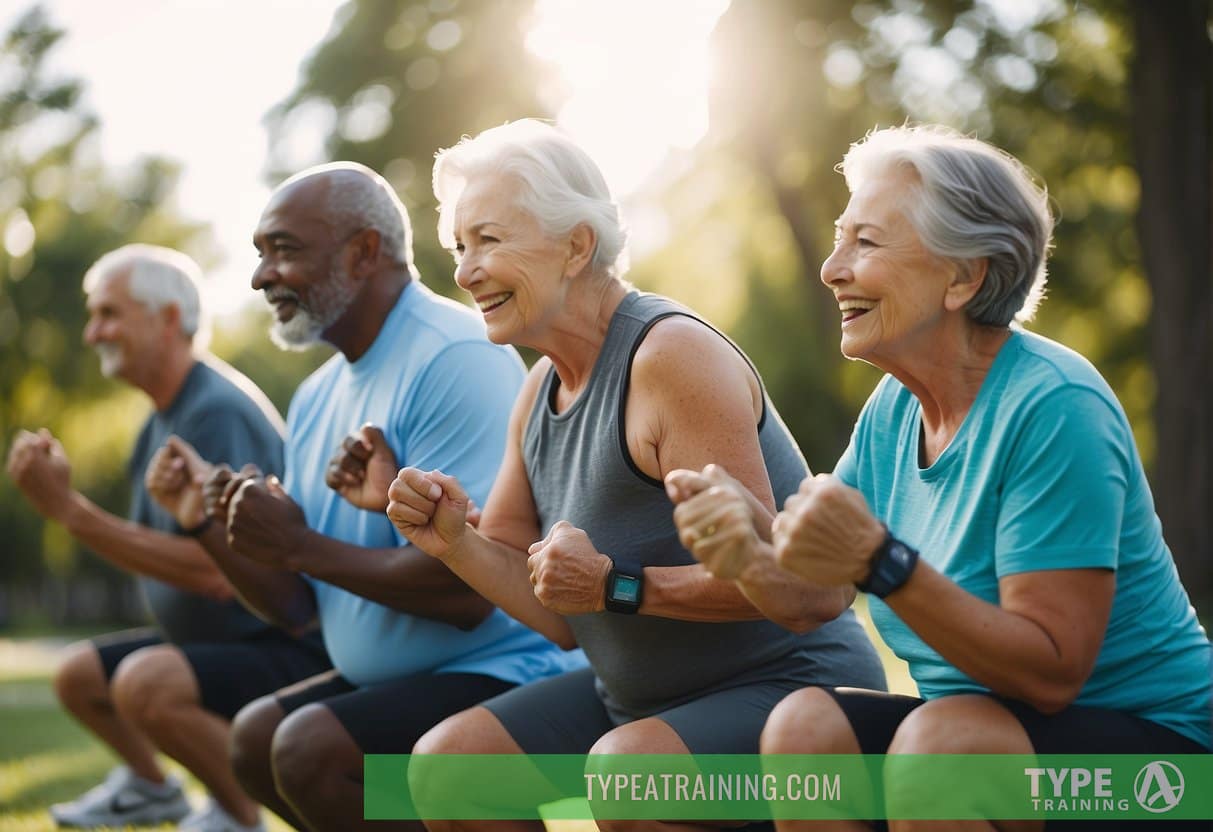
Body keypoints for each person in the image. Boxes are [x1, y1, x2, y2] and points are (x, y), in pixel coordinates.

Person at [675, 125, 1213, 832]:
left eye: (865, 243)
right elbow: (815, 595)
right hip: (986, 732)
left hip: (1159, 763)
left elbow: (1050, 675)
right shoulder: (894, 411)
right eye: (838, 240)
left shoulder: (1052, 404)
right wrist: (749, 556)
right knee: (805, 725)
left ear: (965, 276)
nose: (831, 267)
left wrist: (881, 560)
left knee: (943, 749)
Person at [384, 119, 886, 831]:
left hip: (788, 689)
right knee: (449, 769)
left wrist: (614, 585)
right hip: (635, 703)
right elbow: (559, 617)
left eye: (488, 240)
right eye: (459, 247)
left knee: (629, 778)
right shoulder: (536, 394)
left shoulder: (669, 356)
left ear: (574, 246)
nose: (464, 271)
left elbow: (792, 583)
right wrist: (452, 542)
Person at [147, 161, 578, 832]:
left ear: (363, 251)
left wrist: (298, 543)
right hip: (397, 677)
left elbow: (468, 594)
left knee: (310, 749)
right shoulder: (317, 394)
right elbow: (299, 611)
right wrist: (213, 522)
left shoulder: (453, 352)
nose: (262, 277)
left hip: (509, 670)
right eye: (259, 255)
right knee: (256, 740)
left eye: (284, 250)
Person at [5, 245, 331, 832]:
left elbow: (217, 573)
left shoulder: (215, 413)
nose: (92, 332)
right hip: (208, 639)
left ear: (168, 320)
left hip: (277, 642)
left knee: (144, 683)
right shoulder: (159, 419)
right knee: (79, 676)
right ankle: (154, 791)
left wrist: (70, 512)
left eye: (109, 314)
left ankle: (238, 818)